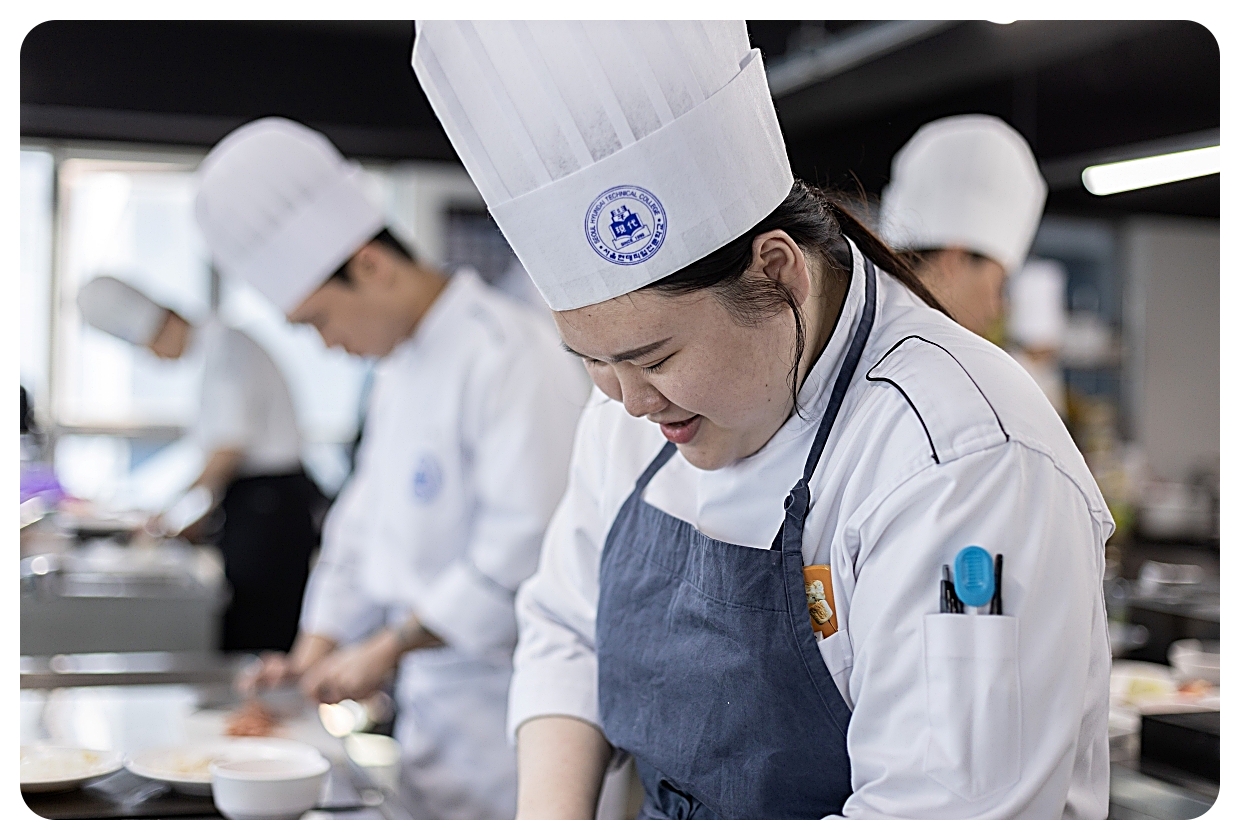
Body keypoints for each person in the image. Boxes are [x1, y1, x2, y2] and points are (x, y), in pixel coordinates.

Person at [414, 21, 1113, 819]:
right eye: (592, 361)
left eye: (654, 358)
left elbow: (936, 813)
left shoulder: (961, 460)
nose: (629, 402)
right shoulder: (632, 406)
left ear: (777, 276)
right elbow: (568, 629)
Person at [201, 117, 587, 819]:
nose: (327, 345)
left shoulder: (510, 354)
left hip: (517, 714)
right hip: (430, 709)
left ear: (371, 267)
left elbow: (525, 546)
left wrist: (385, 648)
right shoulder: (397, 369)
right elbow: (358, 529)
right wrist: (311, 651)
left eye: (320, 320)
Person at [77, 274, 319, 653]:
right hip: (257, 503)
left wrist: (169, 514)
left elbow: (227, 453)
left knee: (261, 632)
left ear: (165, 321)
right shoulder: (216, 352)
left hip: (271, 509)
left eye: (151, 345)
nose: (156, 358)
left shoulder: (228, 350)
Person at [879, 114, 1048, 342]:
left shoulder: (865, 328)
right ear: (954, 260)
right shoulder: (929, 353)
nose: (998, 308)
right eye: (999, 286)